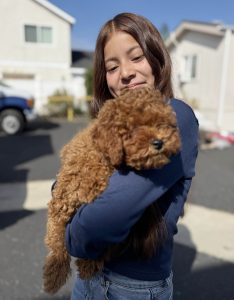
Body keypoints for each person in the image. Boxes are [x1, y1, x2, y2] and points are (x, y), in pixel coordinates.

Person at [65, 12, 199, 300]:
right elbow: (69, 179)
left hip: (132, 287)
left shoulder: (175, 116)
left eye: (136, 57)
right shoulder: (108, 124)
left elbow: (100, 221)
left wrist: (71, 236)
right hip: (89, 277)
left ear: (157, 58)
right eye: (112, 67)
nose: (125, 72)